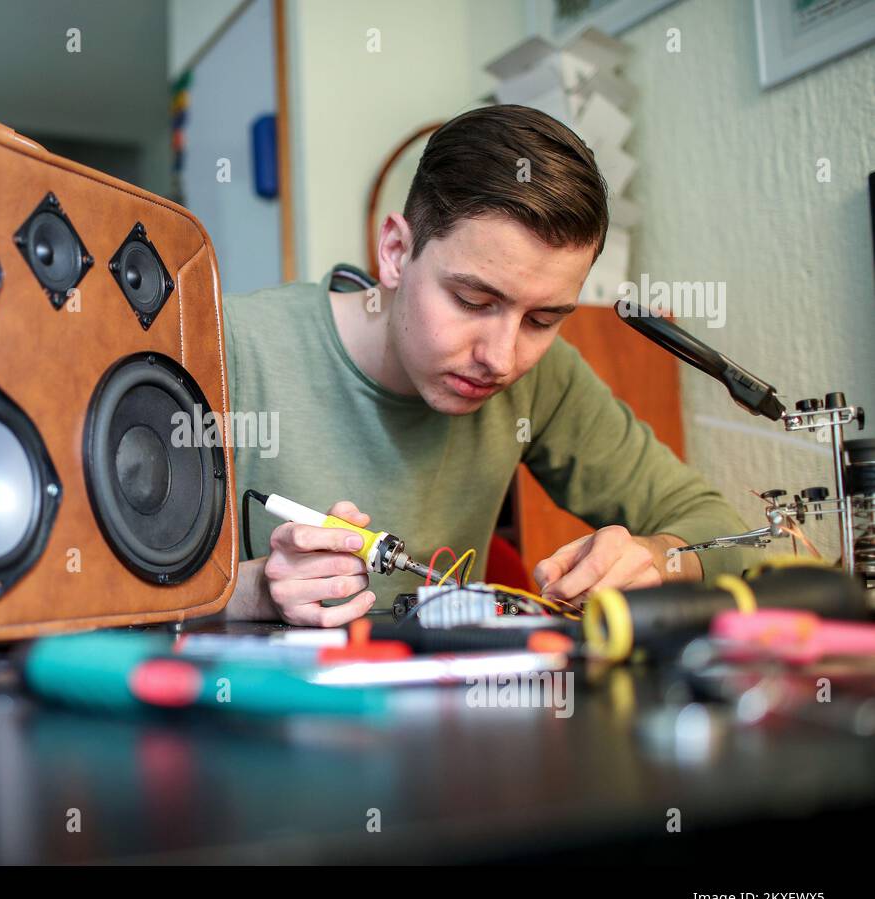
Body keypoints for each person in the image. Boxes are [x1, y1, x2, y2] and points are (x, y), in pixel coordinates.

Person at [221, 104, 748, 627]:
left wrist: (658, 559)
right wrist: (250, 592)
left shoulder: (547, 377)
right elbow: (134, 596)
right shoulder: (229, 346)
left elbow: (717, 525)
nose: (500, 359)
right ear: (396, 251)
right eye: (473, 301)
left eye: (542, 320)